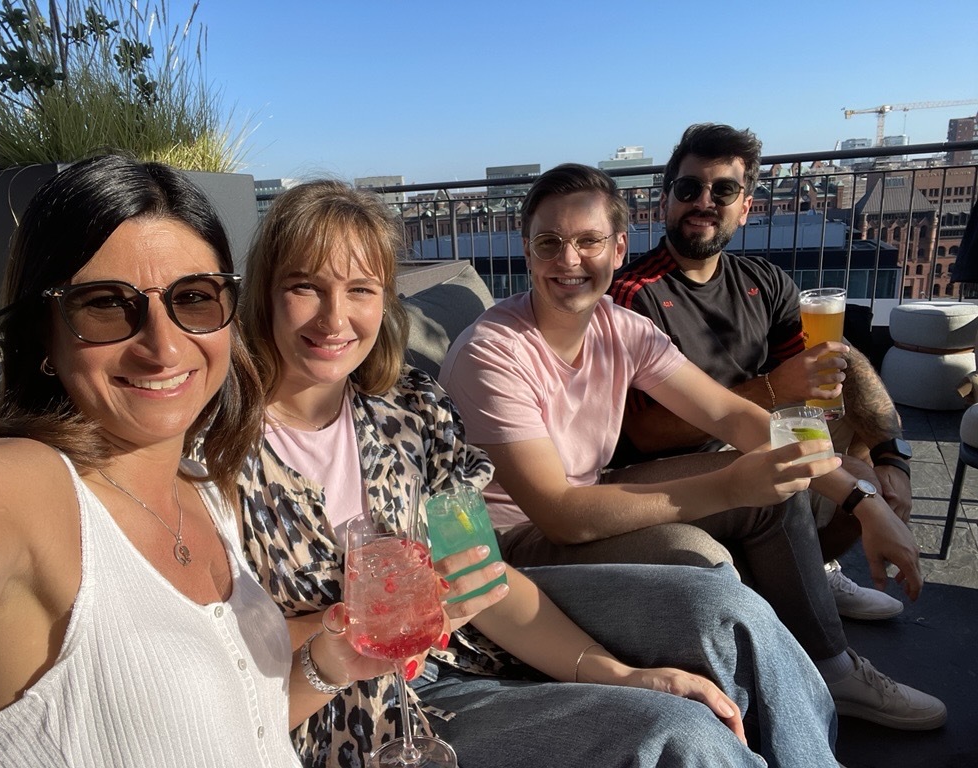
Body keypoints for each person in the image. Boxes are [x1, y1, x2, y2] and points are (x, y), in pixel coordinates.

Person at [236, 179, 840, 767]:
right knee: (680, 734)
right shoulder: (222, 456)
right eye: (304, 287)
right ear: (264, 292)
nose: (335, 317)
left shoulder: (408, 413)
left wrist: (618, 674)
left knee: (726, 612)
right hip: (351, 714)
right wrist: (356, 628)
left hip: (465, 650)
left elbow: (482, 577)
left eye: (361, 290)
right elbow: (215, 653)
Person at [439, 162, 946, 731]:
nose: (569, 260)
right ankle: (746, 714)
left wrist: (862, 500)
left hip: (586, 494)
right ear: (528, 252)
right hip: (511, 545)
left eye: (588, 241)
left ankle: (831, 670)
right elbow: (559, 516)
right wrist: (731, 484)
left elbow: (732, 414)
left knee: (768, 486)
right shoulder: (493, 353)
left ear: (619, 247)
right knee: (699, 554)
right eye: (549, 243)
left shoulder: (620, 328)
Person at [0, 155, 310, 766]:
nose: (163, 346)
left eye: (194, 298)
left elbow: (237, 728)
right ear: (45, 334)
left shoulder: (202, 485)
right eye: (106, 305)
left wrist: (332, 658)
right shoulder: (12, 491)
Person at [610, 123, 913, 622]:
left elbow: (835, 364)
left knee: (857, 421)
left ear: (746, 206)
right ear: (666, 200)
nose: (704, 201)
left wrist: (892, 457)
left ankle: (811, 573)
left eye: (723, 190)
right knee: (856, 482)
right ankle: (805, 597)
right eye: (689, 189)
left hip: (748, 430)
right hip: (679, 457)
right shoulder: (633, 294)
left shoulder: (762, 280)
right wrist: (775, 389)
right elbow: (644, 434)